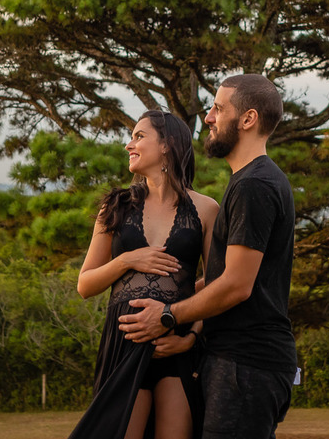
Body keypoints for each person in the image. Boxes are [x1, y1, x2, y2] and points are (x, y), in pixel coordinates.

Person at [119, 75, 297, 439]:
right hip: (238, 363)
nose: (209, 118)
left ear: (247, 120)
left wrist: (167, 316)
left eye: (218, 109)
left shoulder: (253, 185)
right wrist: (176, 295)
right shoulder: (249, 180)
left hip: (245, 364)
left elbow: (236, 285)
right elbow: (224, 277)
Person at [68, 109, 219, 439]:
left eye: (139, 136)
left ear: (167, 145)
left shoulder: (206, 209)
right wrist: (127, 260)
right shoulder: (116, 206)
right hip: (125, 342)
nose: (128, 145)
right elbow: (85, 284)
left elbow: (218, 285)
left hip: (173, 344)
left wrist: (190, 338)